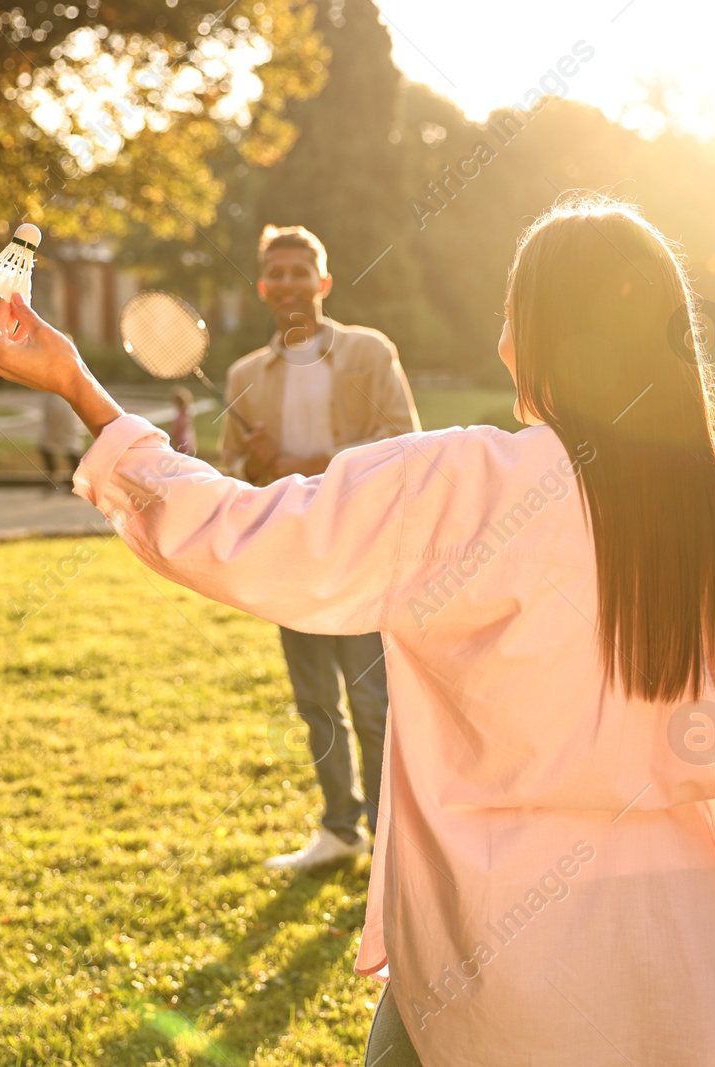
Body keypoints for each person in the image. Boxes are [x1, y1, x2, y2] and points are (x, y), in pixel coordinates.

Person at [0, 194, 715, 1067]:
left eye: (509, 312)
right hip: (673, 971)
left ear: (530, 337)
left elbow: (240, 534)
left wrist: (78, 385)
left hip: (488, 961)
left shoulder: (458, 482)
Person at [219, 224, 419, 872]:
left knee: (372, 701)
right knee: (315, 702)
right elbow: (234, 480)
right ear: (262, 287)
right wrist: (253, 467)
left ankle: (393, 837)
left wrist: (304, 462)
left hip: (360, 552)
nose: (288, 283)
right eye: (275, 273)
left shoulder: (368, 352)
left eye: (300, 271)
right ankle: (340, 829)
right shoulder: (245, 374)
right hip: (292, 559)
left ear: (324, 282)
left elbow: (400, 442)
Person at [37, 389, 86, 484]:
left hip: (66, 414)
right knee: (48, 447)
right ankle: (55, 478)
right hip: (60, 415)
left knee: (71, 448)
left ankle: (77, 481)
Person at [169, 386, 197, 456]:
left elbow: (178, 428)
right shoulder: (185, 413)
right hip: (187, 440)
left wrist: (171, 436)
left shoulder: (183, 414)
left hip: (182, 441)